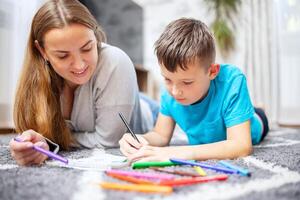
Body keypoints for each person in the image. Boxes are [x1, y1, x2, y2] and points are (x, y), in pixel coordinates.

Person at [9, 0, 157, 166]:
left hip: (148, 112)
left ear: (95, 35)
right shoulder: (37, 76)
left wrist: (53, 139)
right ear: (42, 51)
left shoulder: (116, 61)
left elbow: (109, 141)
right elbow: (37, 133)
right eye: (63, 56)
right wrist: (35, 142)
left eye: (87, 48)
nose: (79, 65)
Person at [119, 18, 269, 162]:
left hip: (255, 125)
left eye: (187, 82)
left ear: (212, 72)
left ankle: (259, 109)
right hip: (212, 134)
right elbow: (160, 135)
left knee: (259, 115)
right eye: (167, 79)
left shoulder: (232, 80)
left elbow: (241, 146)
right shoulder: (170, 94)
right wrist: (141, 139)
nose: (175, 91)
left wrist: (179, 153)